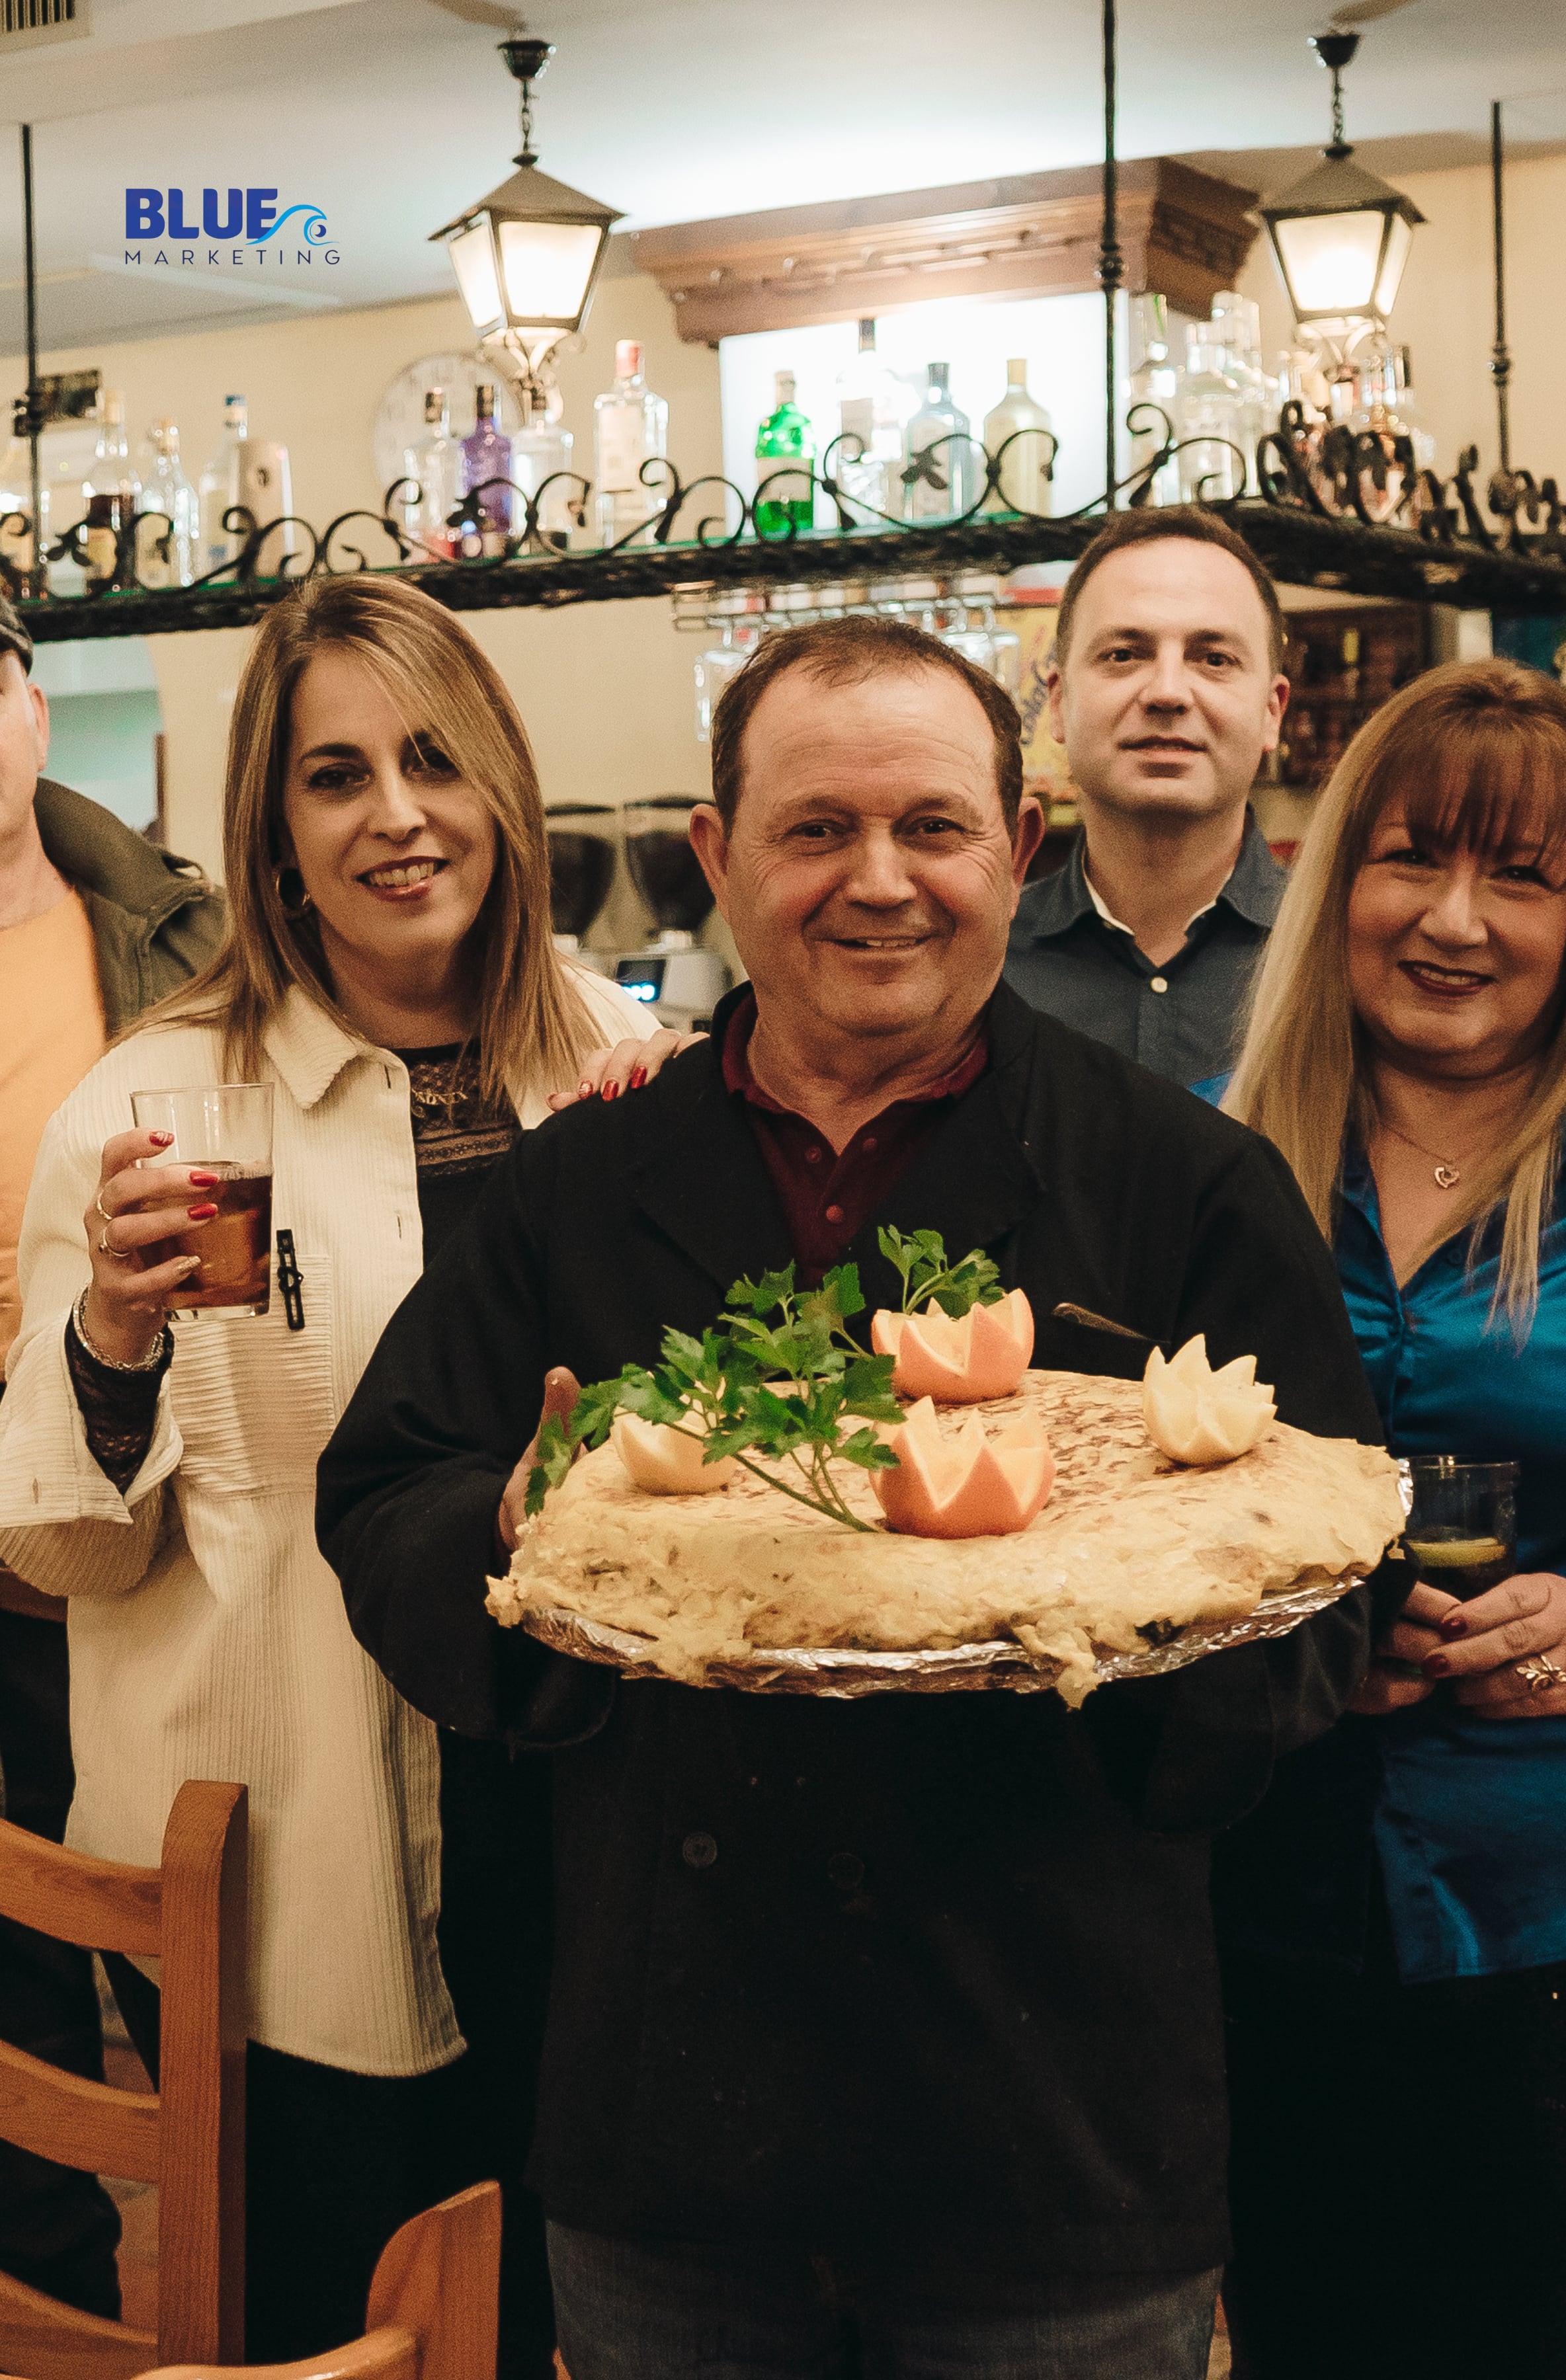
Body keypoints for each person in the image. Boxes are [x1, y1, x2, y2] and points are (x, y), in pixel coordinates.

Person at [317, 612, 1391, 2380]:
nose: (877, 881)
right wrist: (519, 1528)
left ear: (1017, 849)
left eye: (933, 828)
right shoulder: (577, 1182)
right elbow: (385, 1496)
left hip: (1055, 2117)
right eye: (817, 830)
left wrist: (1149, 1612)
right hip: (668, 2116)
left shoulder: (1184, 1182)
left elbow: (1331, 1572)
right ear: (719, 860)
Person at [0, 575, 679, 2367]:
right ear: (275, 832)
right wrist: (115, 1346)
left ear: (507, 794)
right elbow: (59, 1542)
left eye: (437, 759)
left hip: (585, 1809)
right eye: (336, 775)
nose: (398, 814)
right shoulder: (161, 1114)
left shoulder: (629, 1078)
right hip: (281, 1830)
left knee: (570, 2297)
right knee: (323, 2306)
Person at [1213, 658, 1566, 2380]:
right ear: (1330, 877)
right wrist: (1273, 1638)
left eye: (1520, 874)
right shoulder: (1213, 1179)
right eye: (1411, 858)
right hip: (1270, 1920)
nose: (1455, 919)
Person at [0, 588, 224, 2321]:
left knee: (189, 1962)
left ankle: (237, 2304)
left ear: (28, 700)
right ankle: (57, 2319)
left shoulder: (178, 926)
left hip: (145, 1536)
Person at [1004, 506, 1290, 1086]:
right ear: (1057, 703)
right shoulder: (978, 968)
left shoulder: (1344, 957)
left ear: (1271, 712)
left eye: (1214, 659)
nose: (1166, 692)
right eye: (1123, 655)